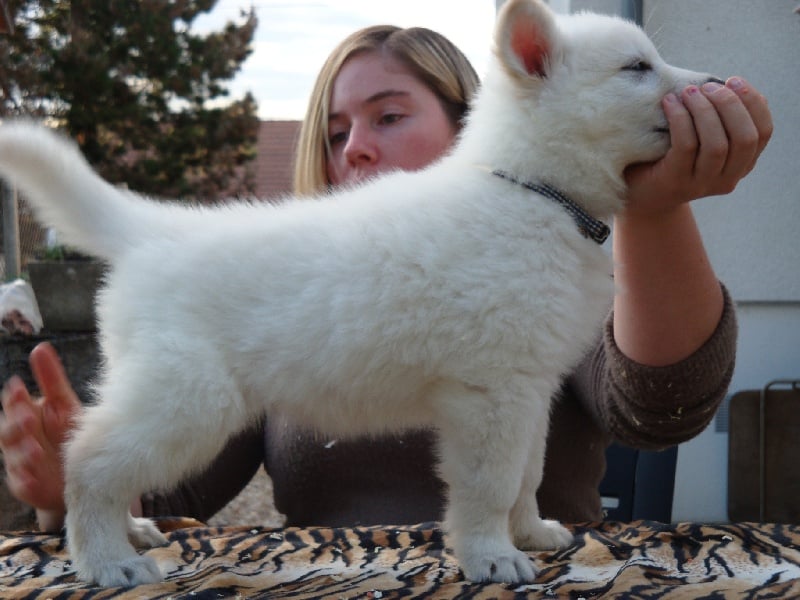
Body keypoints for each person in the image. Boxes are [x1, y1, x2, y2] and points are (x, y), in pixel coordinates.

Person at [1, 22, 772, 532]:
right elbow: (177, 491)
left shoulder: (554, 242)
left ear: (471, 113)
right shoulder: (274, 276)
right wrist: (69, 486)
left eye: (390, 115)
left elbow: (660, 410)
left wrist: (658, 209)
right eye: (337, 132)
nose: (356, 148)